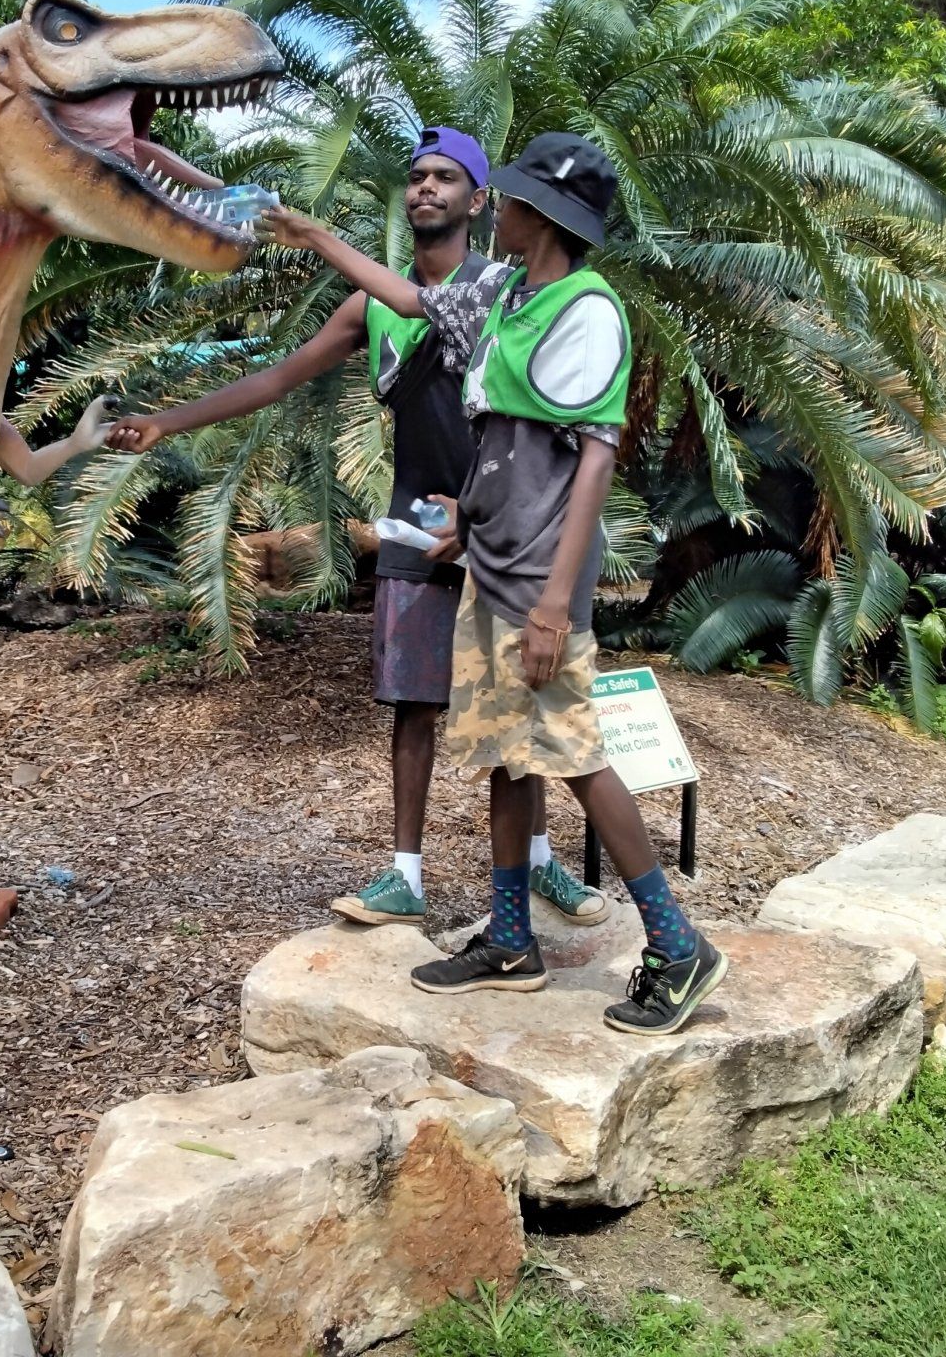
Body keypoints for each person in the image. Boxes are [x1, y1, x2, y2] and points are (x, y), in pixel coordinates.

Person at [261, 133, 726, 1035]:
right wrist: (463, 522)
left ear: (541, 217)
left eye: (507, 199)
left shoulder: (587, 311)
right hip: (491, 556)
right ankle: (512, 938)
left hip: (538, 574)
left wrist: (555, 602)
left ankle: (678, 946)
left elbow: (590, 459)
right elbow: (417, 309)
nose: (493, 208)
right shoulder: (511, 292)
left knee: (573, 751)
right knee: (509, 750)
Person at [106, 130, 603, 932]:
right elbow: (275, 377)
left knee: (519, 708)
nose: (425, 189)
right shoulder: (371, 305)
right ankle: (404, 876)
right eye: (415, 178)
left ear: (480, 202)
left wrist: (489, 531)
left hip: (501, 533)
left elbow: (572, 431)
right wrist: (167, 422)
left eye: (446, 178)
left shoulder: (506, 292)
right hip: (414, 524)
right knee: (413, 702)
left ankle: (540, 864)